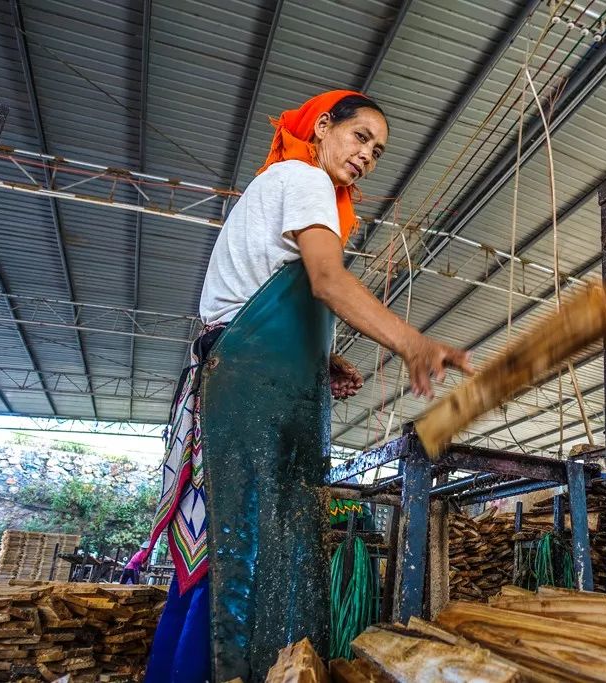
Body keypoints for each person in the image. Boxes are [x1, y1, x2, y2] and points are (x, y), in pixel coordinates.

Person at [143, 90, 472, 682]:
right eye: (360, 137)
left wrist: (319, 360)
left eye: (378, 150)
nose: (367, 155)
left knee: (224, 546)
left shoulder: (279, 185)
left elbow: (253, 294)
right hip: (250, 389)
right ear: (322, 127)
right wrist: (413, 344)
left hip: (239, 372)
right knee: (250, 554)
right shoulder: (305, 177)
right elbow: (326, 280)